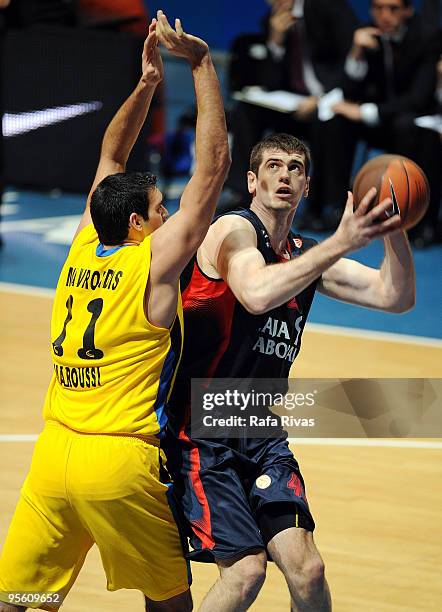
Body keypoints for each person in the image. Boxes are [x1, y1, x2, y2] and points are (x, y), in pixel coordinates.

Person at [0, 11, 229, 612]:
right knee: (168, 601)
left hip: (52, 453)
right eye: (158, 210)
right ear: (137, 224)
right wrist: (201, 67)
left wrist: (147, 83)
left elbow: (109, 155)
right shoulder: (150, 263)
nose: (165, 216)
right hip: (119, 462)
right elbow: (211, 173)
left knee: (18, 596)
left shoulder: (81, 245)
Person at [164, 132, 415, 611]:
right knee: (246, 572)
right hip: (201, 431)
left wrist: (394, 227)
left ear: (306, 186)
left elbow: (394, 296)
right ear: (253, 182)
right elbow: (257, 293)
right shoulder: (231, 231)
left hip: (259, 429)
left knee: (308, 570)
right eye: (274, 166)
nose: (285, 174)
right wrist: (343, 241)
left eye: (295, 167)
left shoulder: (305, 252)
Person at [224, 0, 357, 225]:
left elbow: (352, 61)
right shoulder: (272, 20)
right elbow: (270, 80)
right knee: (246, 110)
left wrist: (321, 98)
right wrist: (275, 40)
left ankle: (325, 206)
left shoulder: (330, 8)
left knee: (331, 124)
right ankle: (241, 193)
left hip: (331, 100)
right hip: (293, 104)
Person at [319, 0, 439, 226]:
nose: (385, 16)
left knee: (405, 126)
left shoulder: (427, 37)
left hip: (413, 121)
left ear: (408, 10)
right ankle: (339, 208)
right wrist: (356, 53)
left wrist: (365, 111)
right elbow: (350, 90)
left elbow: (418, 98)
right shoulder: (366, 34)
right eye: (378, 8)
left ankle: (414, 217)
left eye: (393, 9)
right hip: (380, 121)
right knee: (337, 122)